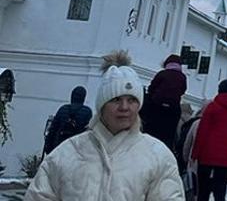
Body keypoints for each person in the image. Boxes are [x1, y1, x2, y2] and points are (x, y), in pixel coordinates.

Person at [26, 50, 185, 201]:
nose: (124, 107)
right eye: (116, 100)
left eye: (131, 100)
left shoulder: (158, 156)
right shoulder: (68, 153)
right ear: (102, 105)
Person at [192, 80, 227, 200]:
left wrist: (195, 153)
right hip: (226, 157)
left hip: (207, 155)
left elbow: (202, 131)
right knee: (220, 190)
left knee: (203, 190)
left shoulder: (213, 107)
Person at [142, 55, 189, 150]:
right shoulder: (182, 77)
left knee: (151, 133)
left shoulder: (162, 74)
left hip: (156, 108)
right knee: (168, 136)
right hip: (173, 110)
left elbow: (152, 88)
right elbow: (183, 90)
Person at [42, 86, 92, 156]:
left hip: (59, 147)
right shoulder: (87, 112)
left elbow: (53, 130)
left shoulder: (63, 109)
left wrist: (49, 149)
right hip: (76, 150)